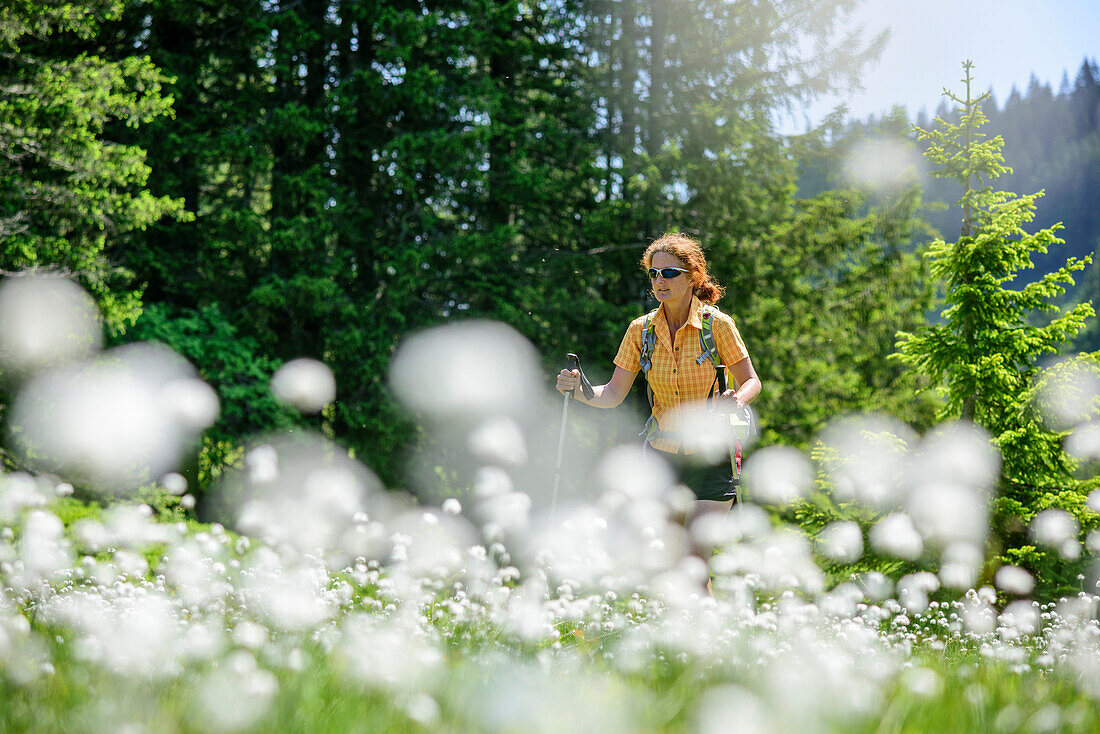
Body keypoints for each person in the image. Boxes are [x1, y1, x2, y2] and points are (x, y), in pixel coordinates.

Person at [555, 232, 761, 530]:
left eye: (669, 273)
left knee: (696, 552)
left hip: (713, 456)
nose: (659, 280)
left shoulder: (717, 325)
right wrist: (579, 390)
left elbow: (752, 382)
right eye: (653, 274)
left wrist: (737, 400)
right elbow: (612, 393)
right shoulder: (640, 330)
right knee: (671, 558)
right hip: (662, 458)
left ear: (693, 277)